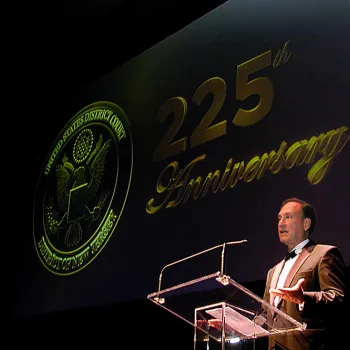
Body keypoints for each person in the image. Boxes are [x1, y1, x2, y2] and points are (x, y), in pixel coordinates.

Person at [260, 197, 348, 350]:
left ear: (306, 224)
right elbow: (266, 317)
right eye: (279, 218)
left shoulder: (325, 254)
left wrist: (304, 298)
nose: (281, 223)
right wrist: (233, 324)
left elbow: (338, 298)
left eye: (288, 217)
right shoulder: (272, 272)